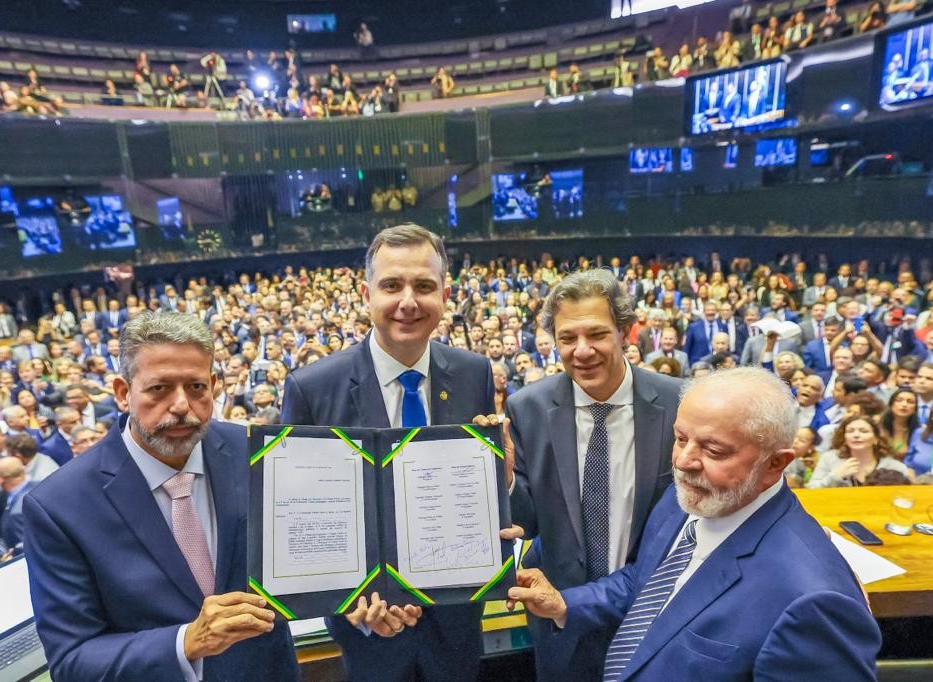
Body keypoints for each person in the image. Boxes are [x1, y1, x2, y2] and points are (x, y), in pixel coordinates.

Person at [508, 368, 880, 680]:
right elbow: (645, 579)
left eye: (713, 450)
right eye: (680, 437)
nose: (684, 461)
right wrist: (563, 604)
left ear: (775, 464)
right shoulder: (691, 494)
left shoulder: (815, 603)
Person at [24, 312, 297, 680]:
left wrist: (355, 602)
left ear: (215, 386)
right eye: (159, 388)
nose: (182, 405)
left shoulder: (258, 452)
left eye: (196, 387)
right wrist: (185, 643)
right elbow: (72, 660)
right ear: (123, 393)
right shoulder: (59, 506)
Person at [281, 224, 496, 682]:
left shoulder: (475, 373)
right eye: (391, 285)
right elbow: (300, 525)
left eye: (424, 286)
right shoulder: (312, 389)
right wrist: (356, 608)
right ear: (366, 293)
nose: (408, 301)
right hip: (368, 636)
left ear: (445, 293)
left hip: (457, 629)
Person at [503, 269, 682, 679]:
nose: (582, 351)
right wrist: (507, 478)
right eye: (567, 338)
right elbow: (526, 523)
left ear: (626, 332)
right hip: (558, 614)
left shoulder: (677, 403)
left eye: (597, 334)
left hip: (651, 615)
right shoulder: (527, 408)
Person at [807, 414, 911, 487]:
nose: (856, 435)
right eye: (850, 431)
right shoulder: (829, 458)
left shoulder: (894, 466)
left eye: (863, 431)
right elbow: (811, 489)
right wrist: (835, 477)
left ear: (876, 439)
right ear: (844, 438)